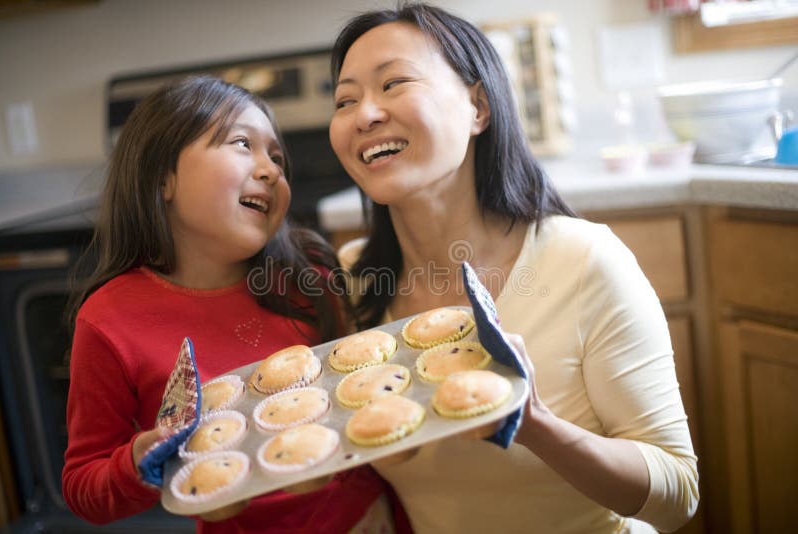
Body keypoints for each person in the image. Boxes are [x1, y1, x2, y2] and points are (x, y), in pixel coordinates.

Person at [328, 3, 699, 533]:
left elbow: (677, 494)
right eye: (345, 99)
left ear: (477, 107)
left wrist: (537, 426)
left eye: (394, 84)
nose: (364, 115)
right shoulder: (352, 279)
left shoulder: (582, 259)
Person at [62, 75, 401, 533]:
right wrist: (139, 460)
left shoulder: (308, 278)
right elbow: (84, 485)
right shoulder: (109, 321)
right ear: (163, 178)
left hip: (368, 521)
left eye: (277, 157)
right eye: (243, 143)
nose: (270, 170)